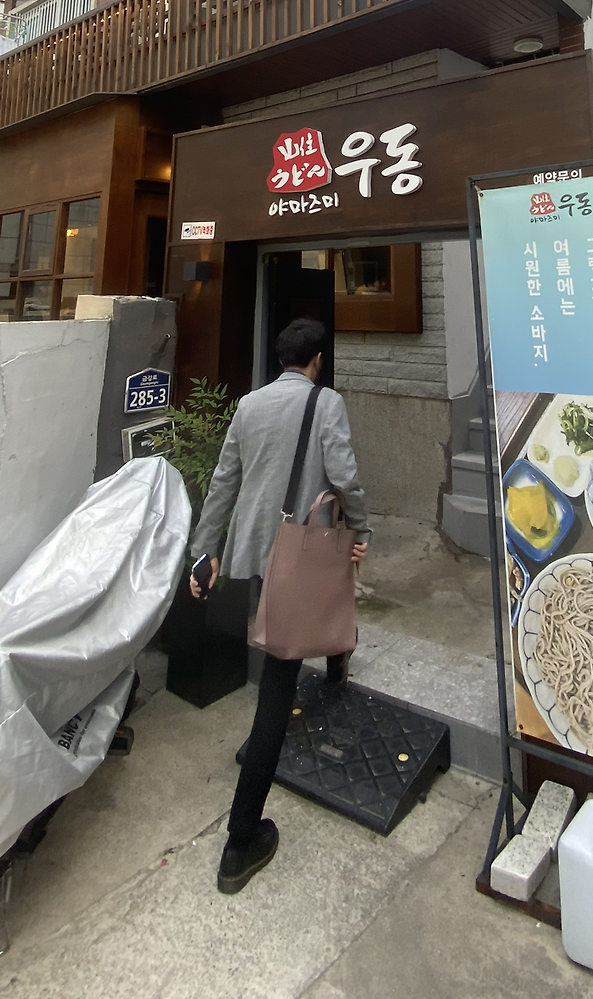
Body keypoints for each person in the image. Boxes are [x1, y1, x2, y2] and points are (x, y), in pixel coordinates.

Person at [189, 317, 370, 895]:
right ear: (317, 360)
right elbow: (343, 474)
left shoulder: (249, 405)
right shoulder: (326, 402)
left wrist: (204, 551)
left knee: (300, 630)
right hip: (303, 552)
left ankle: (337, 663)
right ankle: (240, 840)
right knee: (277, 686)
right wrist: (362, 527)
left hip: (259, 551)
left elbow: (225, 481)